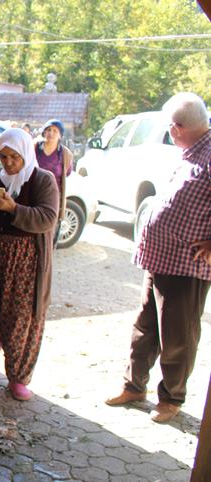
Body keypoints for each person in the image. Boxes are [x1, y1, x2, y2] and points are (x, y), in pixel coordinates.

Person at [105, 92, 211, 423]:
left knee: (177, 335)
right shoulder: (189, 151)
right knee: (145, 327)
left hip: (187, 265)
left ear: (180, 126)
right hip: (161, 258)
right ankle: (134, 385)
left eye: (171, 126)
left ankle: (171, 398)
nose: (170, 131)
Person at [0, 128, 59, 402]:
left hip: (24, 263)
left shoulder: (42, 180)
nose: (8, 163)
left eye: (14, 157)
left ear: (25, 154)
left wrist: (13, 209)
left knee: (19, 318)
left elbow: (48, 218)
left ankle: (18, 377)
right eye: (3, 156)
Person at [34, 119, 73, 245]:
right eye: (48, 130)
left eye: (55, 131)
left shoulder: (65, 154)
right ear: (44, 132)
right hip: (34, 195)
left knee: (48, 235)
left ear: (60, 135)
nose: (51, 133)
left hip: (53, 198)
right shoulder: (34, 148)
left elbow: (66, 174)